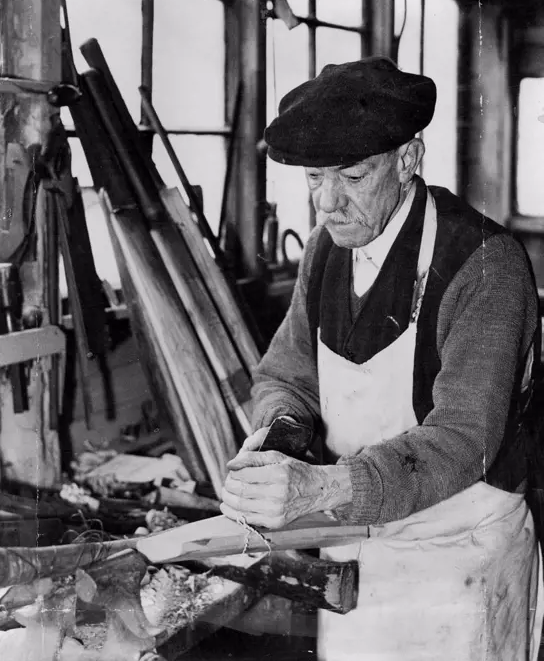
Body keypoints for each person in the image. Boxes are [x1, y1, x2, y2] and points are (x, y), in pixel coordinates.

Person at [220, 56, 543, 660]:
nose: (329, 203)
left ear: (408, 159)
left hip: (459, 562)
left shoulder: (484, 265)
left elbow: (463, 439)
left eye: (353, 176)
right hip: (355, 554)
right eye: (315, 180)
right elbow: (287, 373)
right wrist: (281, 435)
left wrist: (323, 487)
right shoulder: (325, 250)